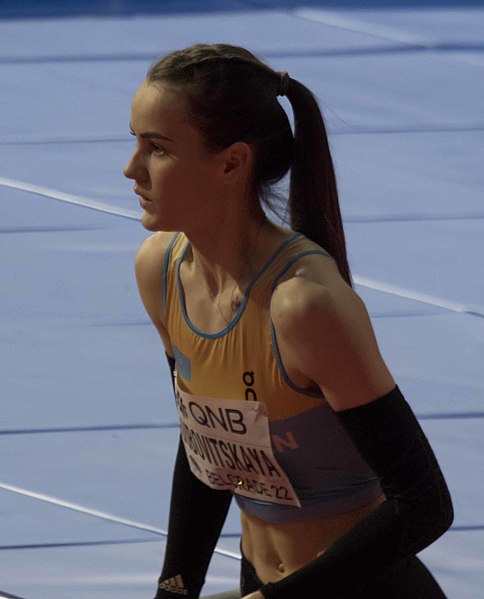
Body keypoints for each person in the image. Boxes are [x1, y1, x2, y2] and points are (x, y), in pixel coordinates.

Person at [123, 43, 453, 599]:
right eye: (134, 142)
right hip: (259, 583)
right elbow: (209, 448)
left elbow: (424, 506)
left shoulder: (303, 307)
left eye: (156, 149)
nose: (131, 168)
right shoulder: (161, 270)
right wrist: (175, 589)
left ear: (232, 162)